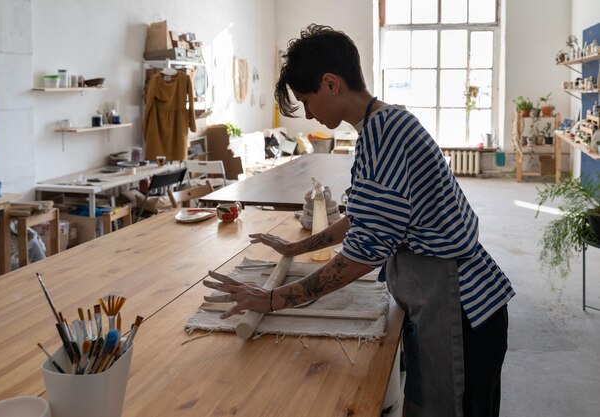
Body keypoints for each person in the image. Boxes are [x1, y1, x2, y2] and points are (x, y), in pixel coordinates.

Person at [203, 24, 514, 417]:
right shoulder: (381, 125)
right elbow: (364, 216)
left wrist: (271, 299)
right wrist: (298, 247)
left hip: (461, 308)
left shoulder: (383, 133)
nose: (311, 114)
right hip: (451, 301)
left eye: (308, 100)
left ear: (331, 84)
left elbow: (363, 254)